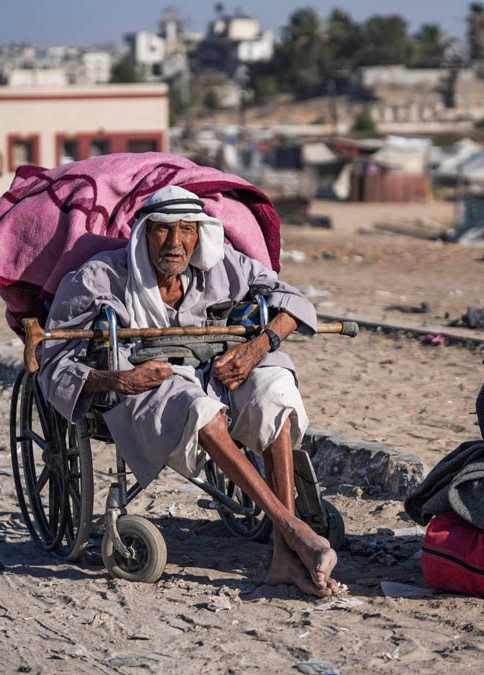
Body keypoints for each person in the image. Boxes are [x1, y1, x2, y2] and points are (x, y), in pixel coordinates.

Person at [40, 185, 338, 596]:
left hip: (217, 372)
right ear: (144, 232)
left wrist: (256, 348)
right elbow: (53, 362)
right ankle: (292, 529)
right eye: (163, 230)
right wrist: (119, 380)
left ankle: (284, 556)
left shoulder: (223, 266)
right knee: (199, 407)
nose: (175, 242)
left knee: (274, 387)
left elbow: (294, 301)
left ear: (200, 234)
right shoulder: (99, 277)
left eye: (187, 230)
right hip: (147, 386)